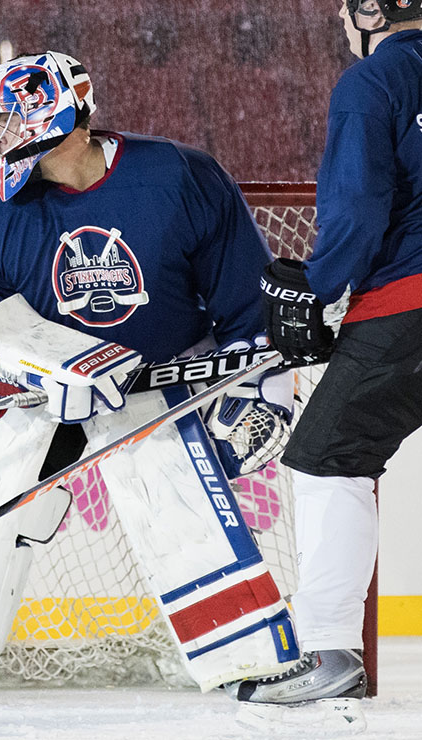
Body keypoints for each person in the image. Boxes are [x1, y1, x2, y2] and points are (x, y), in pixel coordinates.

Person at [0, 51, 298, 706]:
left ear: (59, 116)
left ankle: (251, 656)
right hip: (39, 389)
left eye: (6, 122)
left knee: (174, 492)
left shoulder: (179, 177)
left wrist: (263, 387)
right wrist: (12, 383)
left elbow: (245, 302)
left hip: (155, 386)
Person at [232, 1, 422, 733]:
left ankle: (330, 655)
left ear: (373, 11)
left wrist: (310, 292)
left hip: (409, 303)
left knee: (327, 459)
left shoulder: (375, 81)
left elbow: (358, 210)